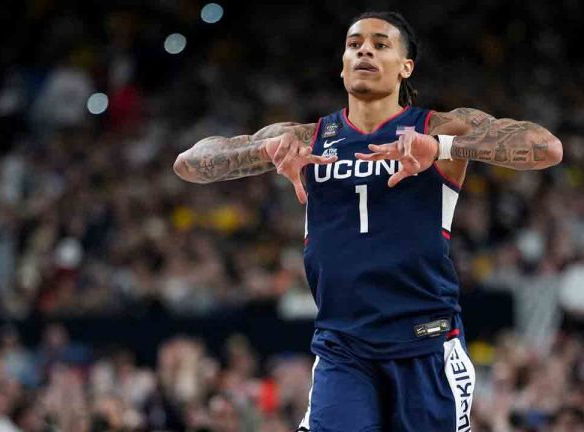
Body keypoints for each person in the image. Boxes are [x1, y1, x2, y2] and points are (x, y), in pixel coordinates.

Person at [173, 10, 562, 432]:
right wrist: (263, 152)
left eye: (380, 44)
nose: (364, 51)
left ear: (405, 66)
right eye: (354, 44)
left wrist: (441, 147)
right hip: (344, 348)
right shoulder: (307, 138)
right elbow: (188, 164)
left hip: (424, 343)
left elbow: (546, 148)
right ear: (342, 64)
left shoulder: (439, 127)